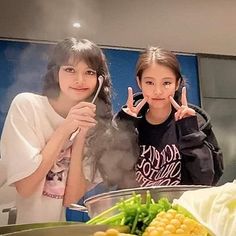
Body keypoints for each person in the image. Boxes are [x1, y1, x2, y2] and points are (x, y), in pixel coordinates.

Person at [0, 37, 115, 224]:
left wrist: (80, 136)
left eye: (89, 72)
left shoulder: (98, 130)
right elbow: (25, 187)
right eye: (70, 69)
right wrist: (65, 129)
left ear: (99, 80)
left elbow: (69, 199)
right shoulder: (27, 106)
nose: (80, 79)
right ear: (56, 72)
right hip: (10, 225)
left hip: (51, 227)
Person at [114, 46, 224, 187]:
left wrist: (190, 131)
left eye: (166, 83)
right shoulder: (125, 122)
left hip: (181, 207)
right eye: (149, 82)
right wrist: (126, 128)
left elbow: (205, 182)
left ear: (177, 83)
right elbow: (113, 176)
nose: (158, 91)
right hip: (137, 207)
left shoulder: (196, 123)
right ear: (139, 82)